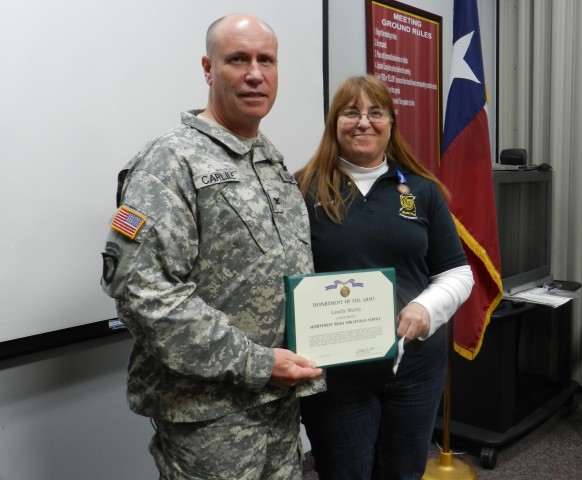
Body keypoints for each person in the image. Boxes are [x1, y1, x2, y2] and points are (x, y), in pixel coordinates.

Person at [100, 14, 323, 480]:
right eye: (237, 59)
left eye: (267, 60)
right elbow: (145, 293)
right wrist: (258, 363)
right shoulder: (170, 161)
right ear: (208, 68)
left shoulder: (269, 159)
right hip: (210, 414)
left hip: (277, 403)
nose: (255, 73)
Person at [295, 75, 474, 480]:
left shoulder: (422, 190)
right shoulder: (301, 189)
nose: (363, 122)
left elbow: (457, 273)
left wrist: (426, 307)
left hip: (415, 371)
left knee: (403, 473)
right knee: (345, 473)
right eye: (351, 112)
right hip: (337, 377)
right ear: (334, 123)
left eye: (376, 112)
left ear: (391, 123)